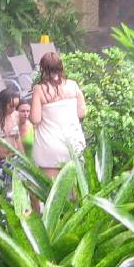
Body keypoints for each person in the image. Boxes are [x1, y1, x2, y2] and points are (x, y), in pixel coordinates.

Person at [30, 52, 86, 180]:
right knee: (74, 191)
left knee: (52, 191)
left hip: (49, 146)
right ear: (61, 67)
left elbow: (35, 119)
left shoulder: (39, 89)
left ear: (43, 69)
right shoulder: (73, 85)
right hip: (73, 143)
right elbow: (82, 113)